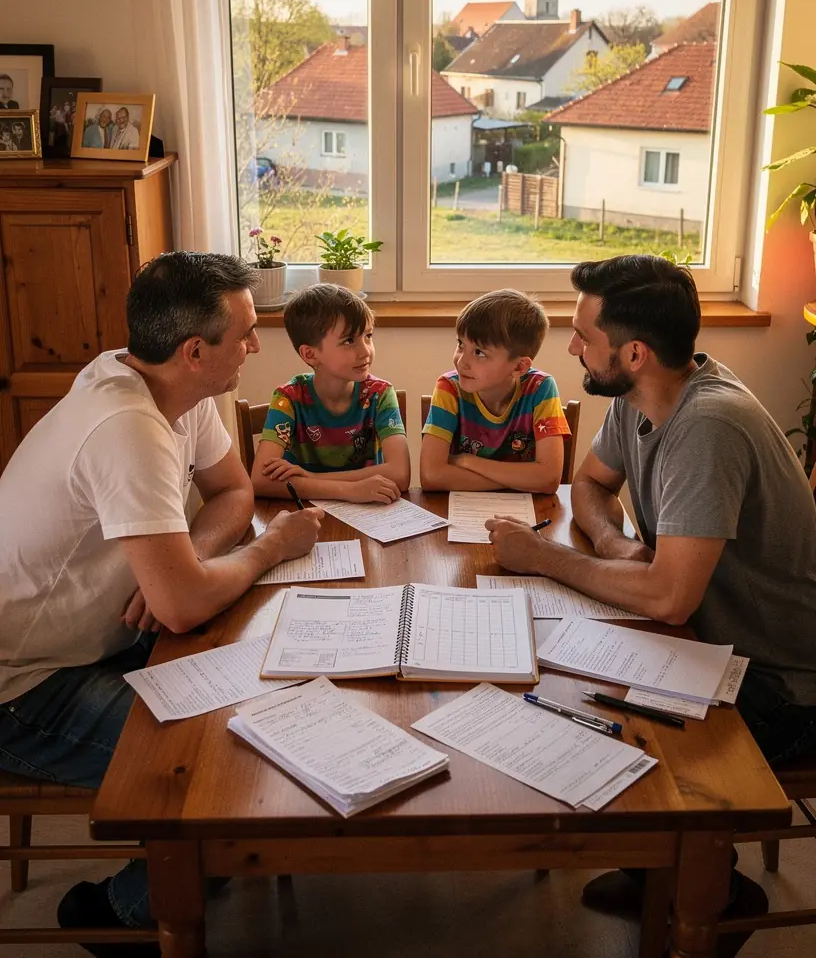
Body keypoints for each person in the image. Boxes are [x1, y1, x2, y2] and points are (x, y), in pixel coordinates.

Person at [486, 255, 816, 953]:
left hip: (784, 681)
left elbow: (667, 597)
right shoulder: (642, 394)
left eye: (583, 336)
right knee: (561, 683)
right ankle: (655, 868)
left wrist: (543, 556)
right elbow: (589, 485)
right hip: (706, 641)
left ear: (633, 353)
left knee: (599, 726)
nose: (571, 347)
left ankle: (711, 888)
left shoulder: (708, 426)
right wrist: (612, 544)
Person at [0, 251, 323, 956]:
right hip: (23, 685)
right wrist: (273, 546)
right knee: (229, 780)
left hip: (99, 638)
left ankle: (176, 872)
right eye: (244, 333)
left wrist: (188, 566)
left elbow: (233, 492)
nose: (255, 345)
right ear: (194, 351)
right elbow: (181, 608)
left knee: (267, 684)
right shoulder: (125, 424)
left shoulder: (172, 386)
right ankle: (119, 915)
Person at [251, 282, 410, 504]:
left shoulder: (380, 394)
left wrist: (312, 478)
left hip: (368, 515)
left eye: (368, 336)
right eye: (349, 341)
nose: (365, 351)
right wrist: (349, 490)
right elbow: (260, 481)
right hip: (304, 514)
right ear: (310, 354)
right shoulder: (288, 399)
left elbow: (400, 474)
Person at [419, 288, 570, 493]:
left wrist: (467, 461)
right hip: (462, 507)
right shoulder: (449, 388)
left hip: (527, 510)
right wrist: (521, 480)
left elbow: (549, 479)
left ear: (519, 367)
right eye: (461, 344)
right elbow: (431, 476)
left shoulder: (540, 389)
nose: (461, 362)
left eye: (479, 353)